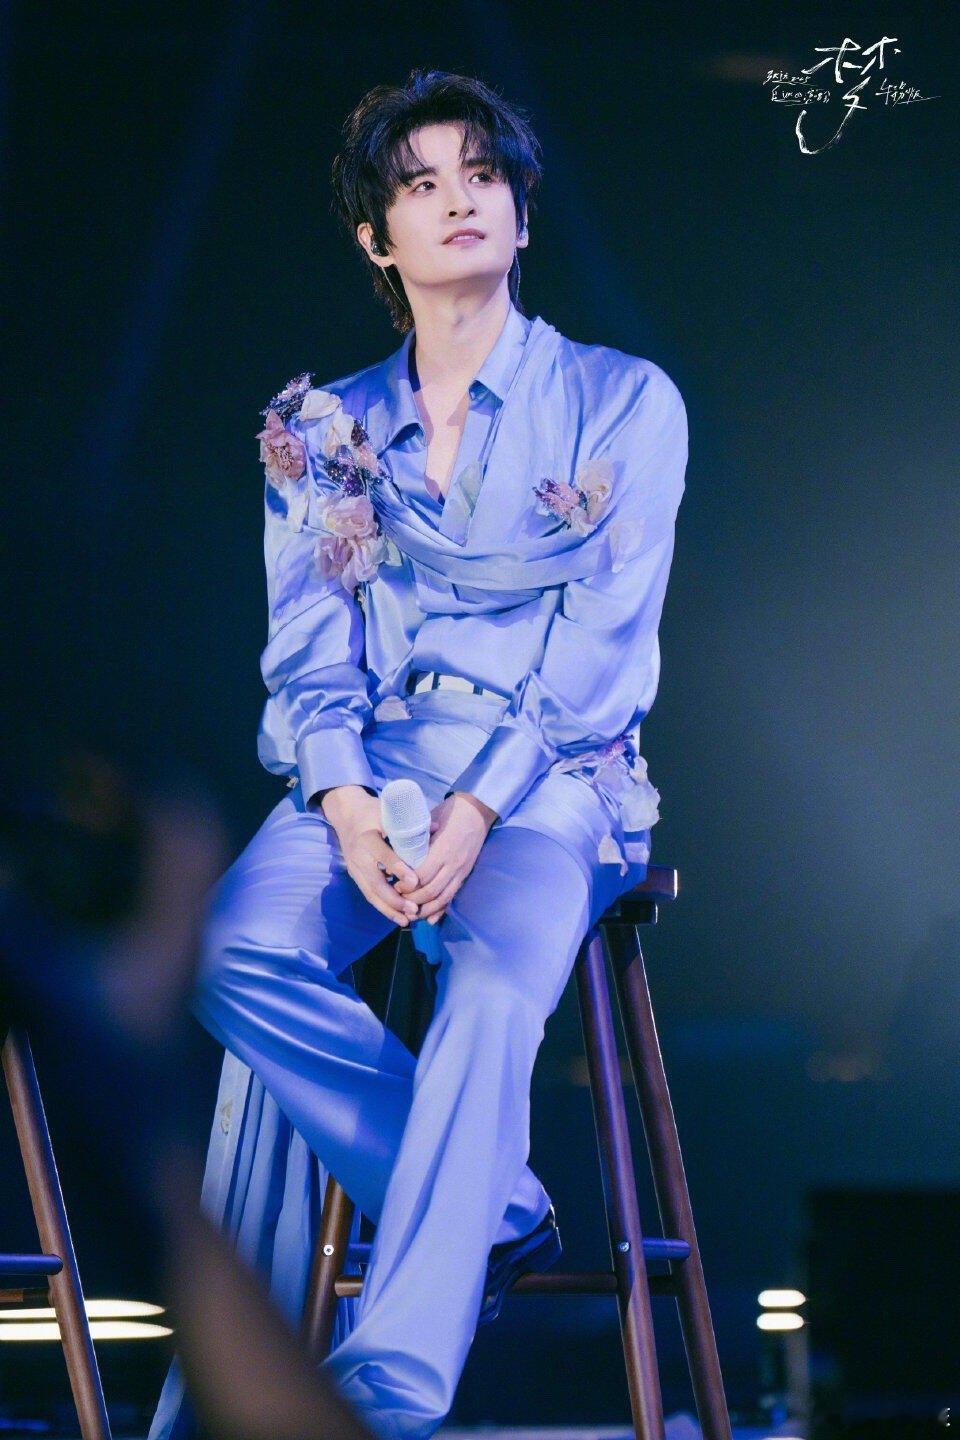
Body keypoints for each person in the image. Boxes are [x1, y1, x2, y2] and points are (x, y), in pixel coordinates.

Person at [148, 65, 688, 1440]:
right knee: (225, 951)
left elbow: (602, 648)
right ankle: (489, 1204)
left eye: (483, 176)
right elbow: (308, 649)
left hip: (549, 779)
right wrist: (342, 802)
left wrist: (476, 808)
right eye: (421, 183)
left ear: (521, 213)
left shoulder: (622, 400)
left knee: (492, 995)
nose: (459, 200)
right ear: (375, 239)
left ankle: (386, 1391)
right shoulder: (321, 429)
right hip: (371, 768)